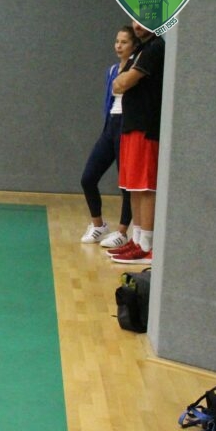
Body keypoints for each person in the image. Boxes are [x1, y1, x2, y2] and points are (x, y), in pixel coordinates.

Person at [108, 20, 165, 265]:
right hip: (131, 126)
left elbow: (123, 83)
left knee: (145, 187)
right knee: (132, 186)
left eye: (143, 19)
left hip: (146, 126)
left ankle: (147, 246)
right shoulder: (140, 49)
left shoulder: (155, 48)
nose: (138, 25)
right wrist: (121, 81)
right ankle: (137, 239)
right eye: (135, 19)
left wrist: (122, 81)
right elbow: (115, 85)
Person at [79, 25, 138, 248]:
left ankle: (122, 231)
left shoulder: (137, 69)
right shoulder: (112, 70)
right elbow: (109, 98)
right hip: (110, 126)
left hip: (127, 126)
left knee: (125, 183)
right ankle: (99, 225)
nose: (118, 46)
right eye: (117, 41)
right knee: (88, 178)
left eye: (124, 42)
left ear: (134, 45)